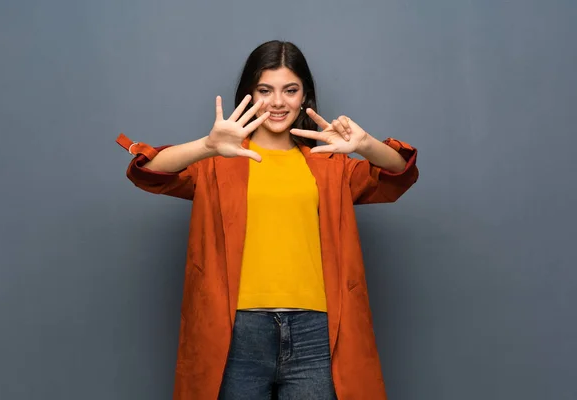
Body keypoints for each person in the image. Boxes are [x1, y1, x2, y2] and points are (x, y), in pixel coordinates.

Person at [117, 40, 419, 400]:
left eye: (290, 90)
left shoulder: (329, 163)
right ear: (249, 93)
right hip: (238, 331)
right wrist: (207, 146)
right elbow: (147, 171)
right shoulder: (219, 162)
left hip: (315, 331)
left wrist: (365, 143)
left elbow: (398, 173)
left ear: (304, 94)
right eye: (265, 90)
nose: (278, 102)